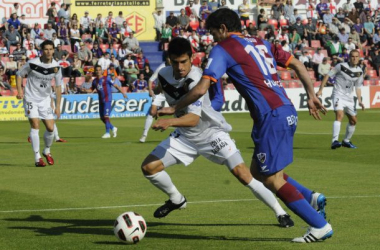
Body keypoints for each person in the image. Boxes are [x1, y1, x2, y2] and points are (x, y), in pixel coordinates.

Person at [157, 9, 333, 243]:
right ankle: (311, 198)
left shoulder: (224, 48)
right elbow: (299, 65)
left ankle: (320, 226)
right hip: (284, 110)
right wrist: (311, 95)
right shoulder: (262, 42)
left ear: (222, 29)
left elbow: (200, 89)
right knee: (259, 172)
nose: (213, 39)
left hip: (271, 115)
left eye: (213, 33)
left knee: (271, 179)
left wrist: (173, 107)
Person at [141, 38, 294, 228]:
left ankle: (280, 213)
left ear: (192, 58)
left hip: (211, 133)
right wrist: (157, 98)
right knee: (149, 167)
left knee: (242, 174)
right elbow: (161, 87)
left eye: (184, 61)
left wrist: (169, 120)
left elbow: (193, 119)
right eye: (175, 62)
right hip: (186, 136)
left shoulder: (197, 78)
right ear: (169, 61)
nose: (180, 67)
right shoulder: (164, 74)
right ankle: (176, 199)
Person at [16, 40, 63, 167]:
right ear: (42, 51)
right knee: (35, 125)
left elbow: (58, 87)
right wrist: (20, 91)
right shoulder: (32, 63)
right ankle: (37, 158)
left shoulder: (56, 67)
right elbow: (19, 75)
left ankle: (46, 150)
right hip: (31, 98)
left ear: (54, 50)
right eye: (46, 49)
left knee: (50, 128)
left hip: (45, 100)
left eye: (51, 49)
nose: (48, 52)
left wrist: (58, 107)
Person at [317, 50, 364, 149]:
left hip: (349, 98)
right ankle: (334, 141)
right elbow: (327, 75)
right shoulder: (340, 66)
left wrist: (359, 100)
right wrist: (321, 90)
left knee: (353, 121)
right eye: (352, 56)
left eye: (356, 56)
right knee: (339, 115)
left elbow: (358, 87)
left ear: (359, 58)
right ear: (349, 57)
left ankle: (346, 141)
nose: (354, 58)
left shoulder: (360, 71)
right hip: (338, 94)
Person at [91, 65, 127, 138]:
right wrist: (84, 90)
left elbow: (116, 85)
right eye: (96, 70)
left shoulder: (106, 78)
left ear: (101, 71)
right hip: (101, 100)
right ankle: (113, 128)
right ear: (95, 71)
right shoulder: (95, 81)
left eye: (99, 70)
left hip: (107, 99)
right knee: (102, 118)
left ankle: (107, 133)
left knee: (106, 116)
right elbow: (91, 90)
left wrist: (123, 93)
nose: (98, 71)